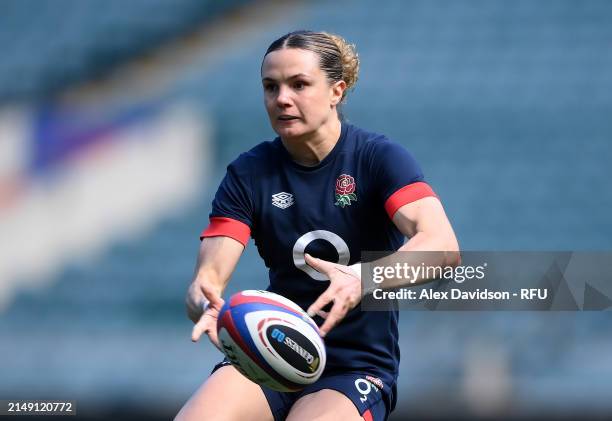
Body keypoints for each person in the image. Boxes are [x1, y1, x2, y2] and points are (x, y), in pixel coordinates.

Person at [175, 30, 459, 421]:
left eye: (299, 84)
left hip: (353, 367)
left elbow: (442, 246)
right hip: (271, 352)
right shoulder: (249, 173)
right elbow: (208, 278)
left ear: (336, 91)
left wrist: (363, 279)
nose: (282, 98)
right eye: (270, 87)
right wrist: (205, 302)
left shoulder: (379, 159)